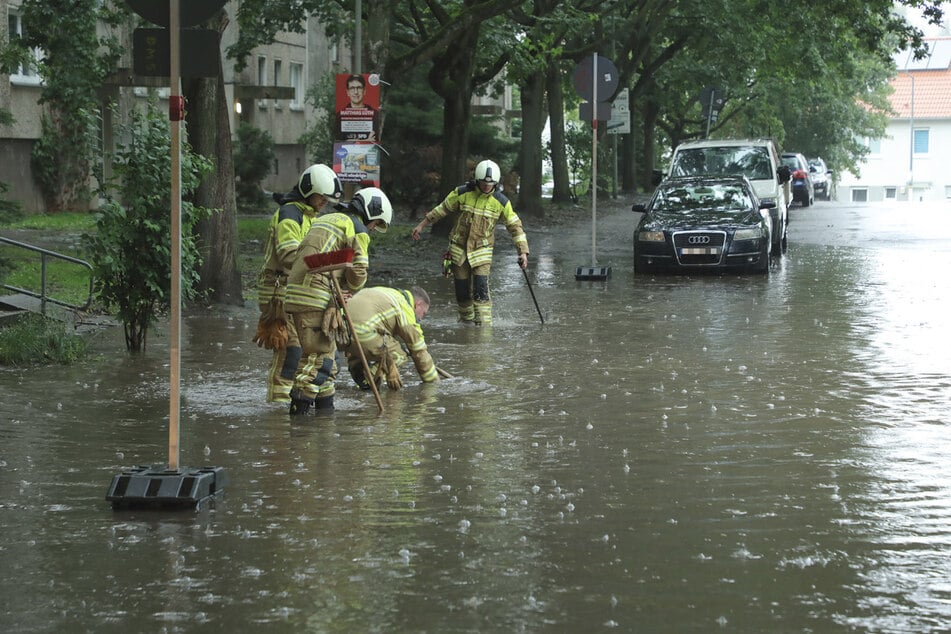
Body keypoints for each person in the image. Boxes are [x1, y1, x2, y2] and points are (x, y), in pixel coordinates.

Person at [282, 187, 393, 415]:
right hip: (314, 297)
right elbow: (359, 273)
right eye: (376, 223)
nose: (373, 229)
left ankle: (325, 416)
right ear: (371, 212)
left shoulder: (329, 218)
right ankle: (297, 424)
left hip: (297, 292)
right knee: (319, 361)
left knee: (329, 365)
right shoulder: (358, 228)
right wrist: (349, 288)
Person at [253, 164, 342, 404]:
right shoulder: (289, 214)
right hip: (278, 291)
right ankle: (279, 411)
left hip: (297, 292)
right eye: (321, 197)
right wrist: (326, 262)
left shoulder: (309, 216)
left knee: (306, 351)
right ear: (307, 190)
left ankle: (298, 401)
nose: (324, 202)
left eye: (327, 199)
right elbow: (289, 255)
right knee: (290, 351)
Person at [411, 159, 529, 325]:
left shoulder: (501, 202)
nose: (487, 186)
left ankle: (484, 328)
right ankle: (466, 324)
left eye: (491, 184)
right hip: (459, 251)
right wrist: (422, 225)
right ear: (477, 180)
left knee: (481, 290)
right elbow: (442, 209)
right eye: (483, 183)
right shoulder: (462, 193)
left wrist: (522, 252)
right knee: (462, 290)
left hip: (482, 252)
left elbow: (515, 226)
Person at [342, 286, 439, 392]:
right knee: (399, 355)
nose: (421, 319)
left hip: (341, 330)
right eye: (423, 313)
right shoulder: (404, 306)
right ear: (418, 305)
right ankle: (369, 380)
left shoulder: (387, 292)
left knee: (362, 348)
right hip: (364, 332)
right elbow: (419, 351)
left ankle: (359, 376)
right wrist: (433, 384)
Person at [336, 74, 380, 142]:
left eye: (359, 88)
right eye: (352, 88)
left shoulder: (375, 115)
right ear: (347, 92)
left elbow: (375, 141)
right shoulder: (339, 116)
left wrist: (351, 141)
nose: (356, 92)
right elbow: (338, 142)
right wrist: (366, 141)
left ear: (364, 91)